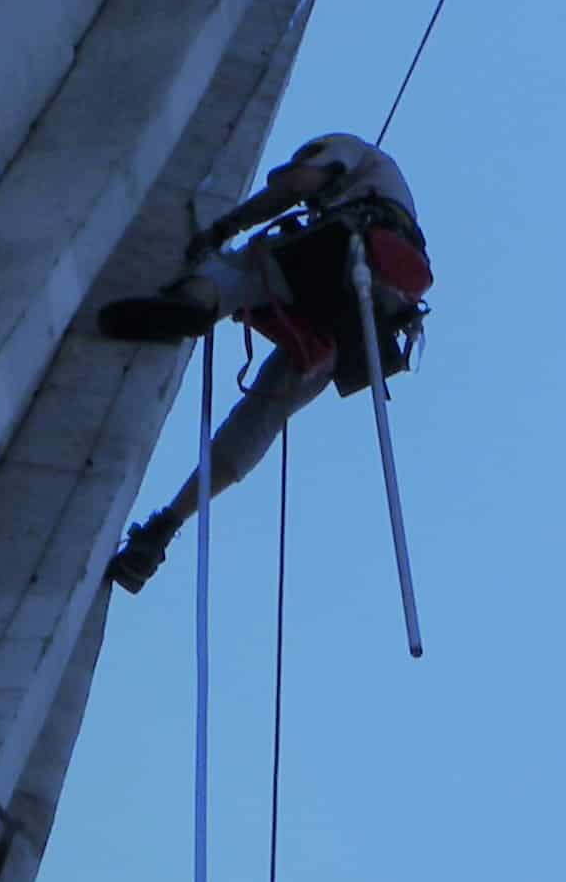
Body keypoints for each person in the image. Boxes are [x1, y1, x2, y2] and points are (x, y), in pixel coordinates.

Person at [97, 132, 431, 592]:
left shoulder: (346, 148)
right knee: (264, 413)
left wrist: (221, 229)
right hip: (366, 317)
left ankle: (197, 303)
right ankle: (166, 526)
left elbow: (299, 182)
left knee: (236, 270)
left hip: (345, 256)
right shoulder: (391, 194)